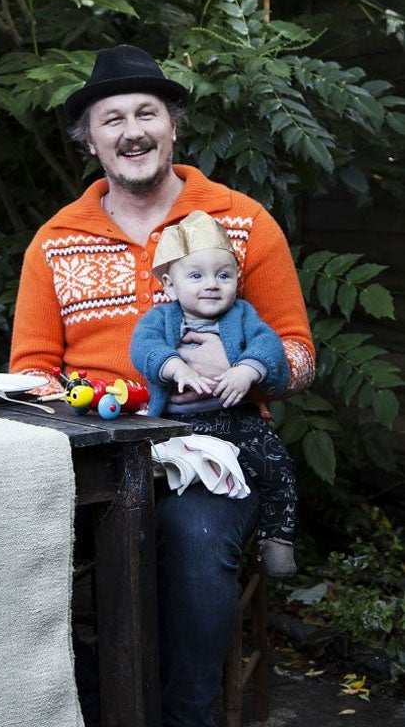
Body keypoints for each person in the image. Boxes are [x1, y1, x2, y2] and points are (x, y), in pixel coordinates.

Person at [9, 43, 315, 727]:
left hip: (218, 448)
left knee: (194, 538)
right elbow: (29, 372)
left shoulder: (243, 223)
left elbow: (300, 355)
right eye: (111, 119)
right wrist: (79, 411)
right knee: (0, 537)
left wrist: (245, 371)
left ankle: (186, 718)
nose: (132, 130)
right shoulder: (55, 241)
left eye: (147, 112)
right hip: (91, 451)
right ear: (89, 141)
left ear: (174, 125)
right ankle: (93, 702)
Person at [130, 209, 298, 579]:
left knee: (276, 464)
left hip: (234, 416)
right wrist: (177, 368)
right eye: (196, 275)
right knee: (146, 470)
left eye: (223, 275)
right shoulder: (161, 318)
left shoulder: (242, 314)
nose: (211, 284)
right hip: (177, 423)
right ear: (169, 285)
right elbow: (143, 348)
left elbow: (269, 345)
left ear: (237, 278)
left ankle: (277, 538)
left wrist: (246, 369)